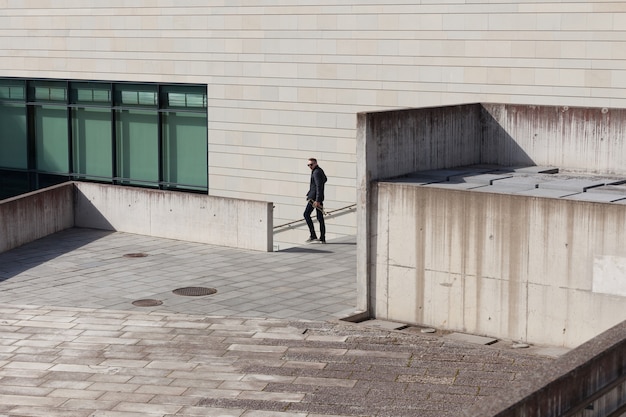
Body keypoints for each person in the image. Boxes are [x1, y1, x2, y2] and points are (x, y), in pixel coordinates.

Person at [304, 157, 327, 243]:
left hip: (314, 199)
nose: (310, 166)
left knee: (306, 214)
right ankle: (322, 237)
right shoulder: (319, 170)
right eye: (308, 165)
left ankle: (313, 235)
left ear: (315, 163)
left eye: (311, 164)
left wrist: (317, 200)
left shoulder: (316, 172)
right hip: (318, 198)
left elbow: (318, 186)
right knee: (320, 218)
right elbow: (325, 179)